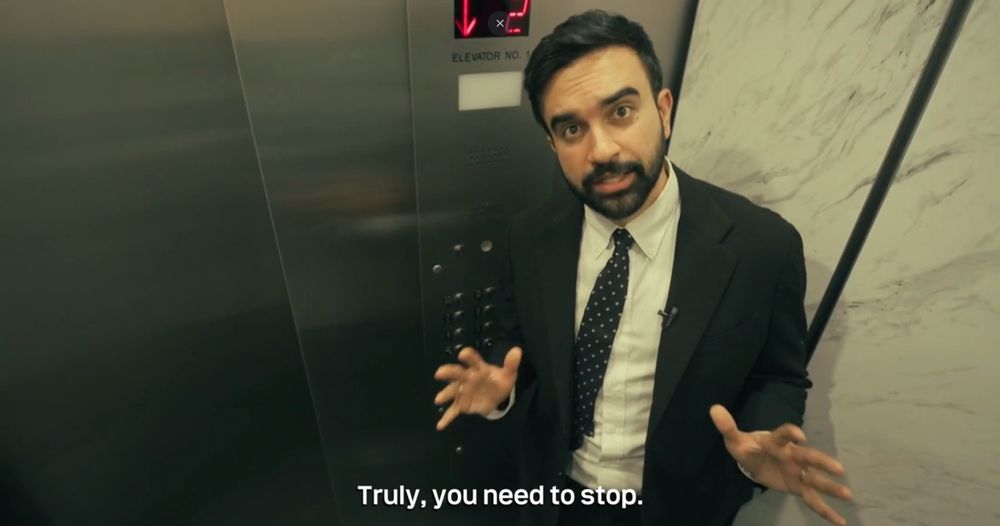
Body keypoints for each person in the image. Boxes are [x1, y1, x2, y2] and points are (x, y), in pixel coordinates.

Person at [433, 10, 852, 526]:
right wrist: (502, 389)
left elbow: (778, 375)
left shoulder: (762, 246)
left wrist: (763, 440)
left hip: (681, 507)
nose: (602, 150)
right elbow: (518, 342)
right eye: (570, 128)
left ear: (664, 110)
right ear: (552, 144)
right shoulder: (531, 235)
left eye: (621, 112)